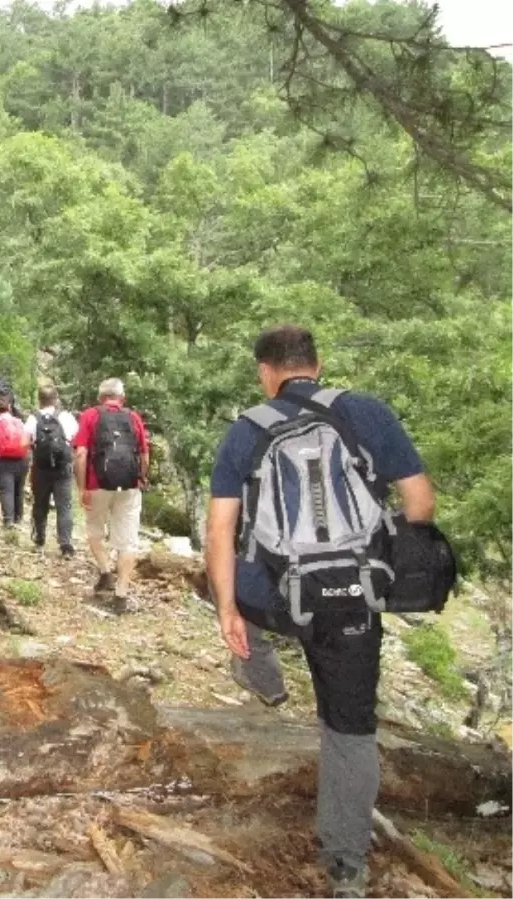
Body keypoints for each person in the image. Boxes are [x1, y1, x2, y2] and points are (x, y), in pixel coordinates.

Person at [205, 325, 435, 899]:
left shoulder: (246, 431)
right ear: (318, 365)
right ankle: (345, 864)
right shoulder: (366, 414)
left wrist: (229, 610)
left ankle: (262, 672)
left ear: (265, 372)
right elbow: (420, 503)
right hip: (351, 600)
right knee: (349, 730)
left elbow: (219, 531)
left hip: (277, 596)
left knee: (222, 576)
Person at [72, 378, 149, 604]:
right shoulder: (133, 417)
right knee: (128, 541)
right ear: (122, 398)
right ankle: (121, 594)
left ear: (100, 397)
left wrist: (82, 487)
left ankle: (105, 571)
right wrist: (142, 477)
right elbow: (144, 455)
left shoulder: (90, 415)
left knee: (94, 529)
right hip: (129, 485)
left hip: (97, 484)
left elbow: (80, 454)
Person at [25, 386, 78, 558]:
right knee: (65, 506)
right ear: (56, 399)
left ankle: (39, 540)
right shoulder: (66, 417)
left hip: (40, 469)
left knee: (40, 504)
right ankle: (66, 544)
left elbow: (24, 443)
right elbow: (75, 438)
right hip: (63, 468)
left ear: (39, 399)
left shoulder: (33, 419)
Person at [0, 392, 29, 527]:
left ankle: (8, 519)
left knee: (6, 490)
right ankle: (18, 517)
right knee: (19, 489)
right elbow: (27, 440)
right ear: (9, 406)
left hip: (4, 461)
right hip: (22, 460)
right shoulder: (19, 422)